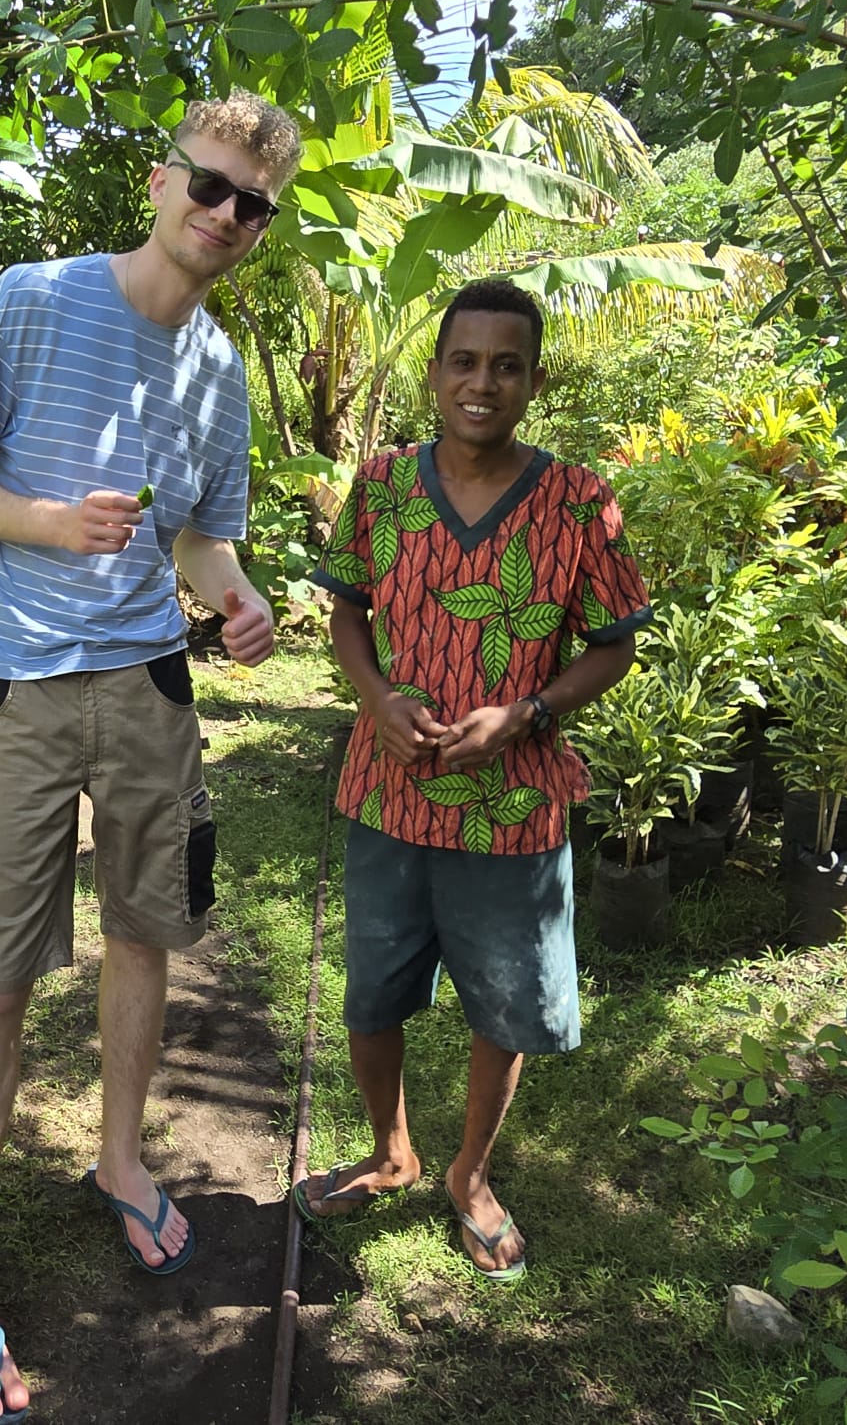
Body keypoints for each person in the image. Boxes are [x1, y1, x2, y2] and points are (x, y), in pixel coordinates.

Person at [0, 89, 304, 1423]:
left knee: (148, 935)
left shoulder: (219, 371)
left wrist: (234, 596)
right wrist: (44, 520)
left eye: (250, 206)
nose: (225, 217)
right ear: (159, 182)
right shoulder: (31, 298)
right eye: (209, 187)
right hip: (19, 687)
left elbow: (198, 538)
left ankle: (122, 1162)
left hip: (148, 688)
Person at [296, 278, 650, 1281]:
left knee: (505, 1007)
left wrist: (526, 714)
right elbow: (346, 612)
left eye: (504, 365)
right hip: (387, 794)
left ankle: (468, 1176)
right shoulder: (381, 484)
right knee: (373, 995)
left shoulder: (578, 501)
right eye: (463, 361)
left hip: (514, 811)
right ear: (435, 372)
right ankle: (388, 1151)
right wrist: (375, 699)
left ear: (532, 381)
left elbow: (613, 644)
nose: (480, 382)